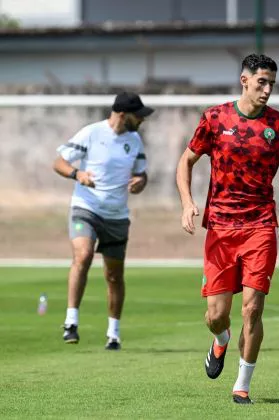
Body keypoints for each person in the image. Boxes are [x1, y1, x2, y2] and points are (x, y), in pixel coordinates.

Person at [175, 54, 279, 405]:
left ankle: (242, 384)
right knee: (216, 315)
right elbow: (186, 161)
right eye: (261, 82)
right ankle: (220, 341)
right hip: (220, 226)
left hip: (260, 225)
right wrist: (187, 202)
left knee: (252, 308)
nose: (267, 90)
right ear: (244, 80)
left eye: (272, 84)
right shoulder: (215, 117)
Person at [53, 91, 153, 350]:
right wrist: (78, 174)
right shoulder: (91, 133)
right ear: (122, 114)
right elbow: (59, 162)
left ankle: (113, 334)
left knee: (114, 275)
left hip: (117, 215)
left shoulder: (135, 140)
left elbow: (142, 175)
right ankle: (71, 322)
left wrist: (140, 182)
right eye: (137, 116)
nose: (141, 121)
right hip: (85, 208)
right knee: (83, 255)